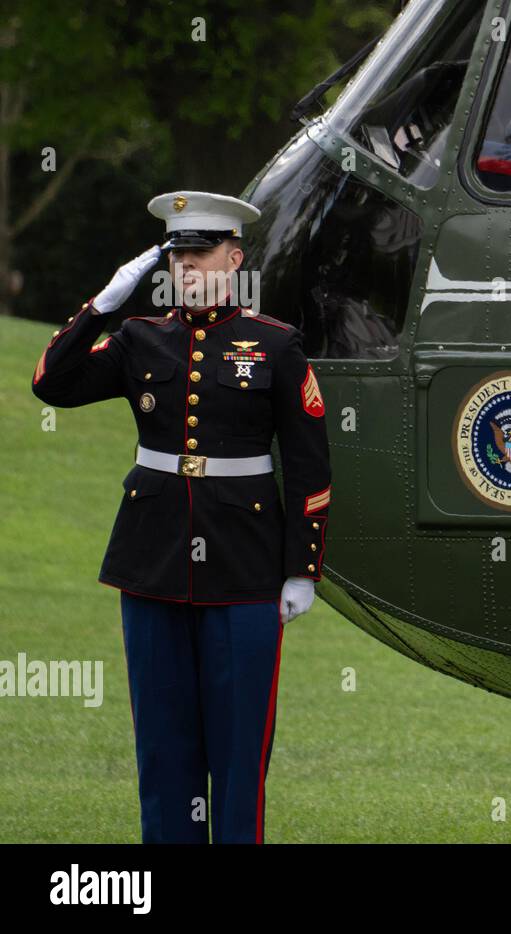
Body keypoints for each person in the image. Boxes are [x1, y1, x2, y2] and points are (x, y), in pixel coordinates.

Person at [31, 191, 332, 843]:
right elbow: (51, 383)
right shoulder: (139, 338)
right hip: (151, 562)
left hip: (246, 568)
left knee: (237, 750)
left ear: (233, 258)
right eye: (178, 257)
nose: (189, 269)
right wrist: (105, 303)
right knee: (165, 748)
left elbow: (309, 469)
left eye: (200, 255)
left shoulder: (275, 346)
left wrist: (302, 570)